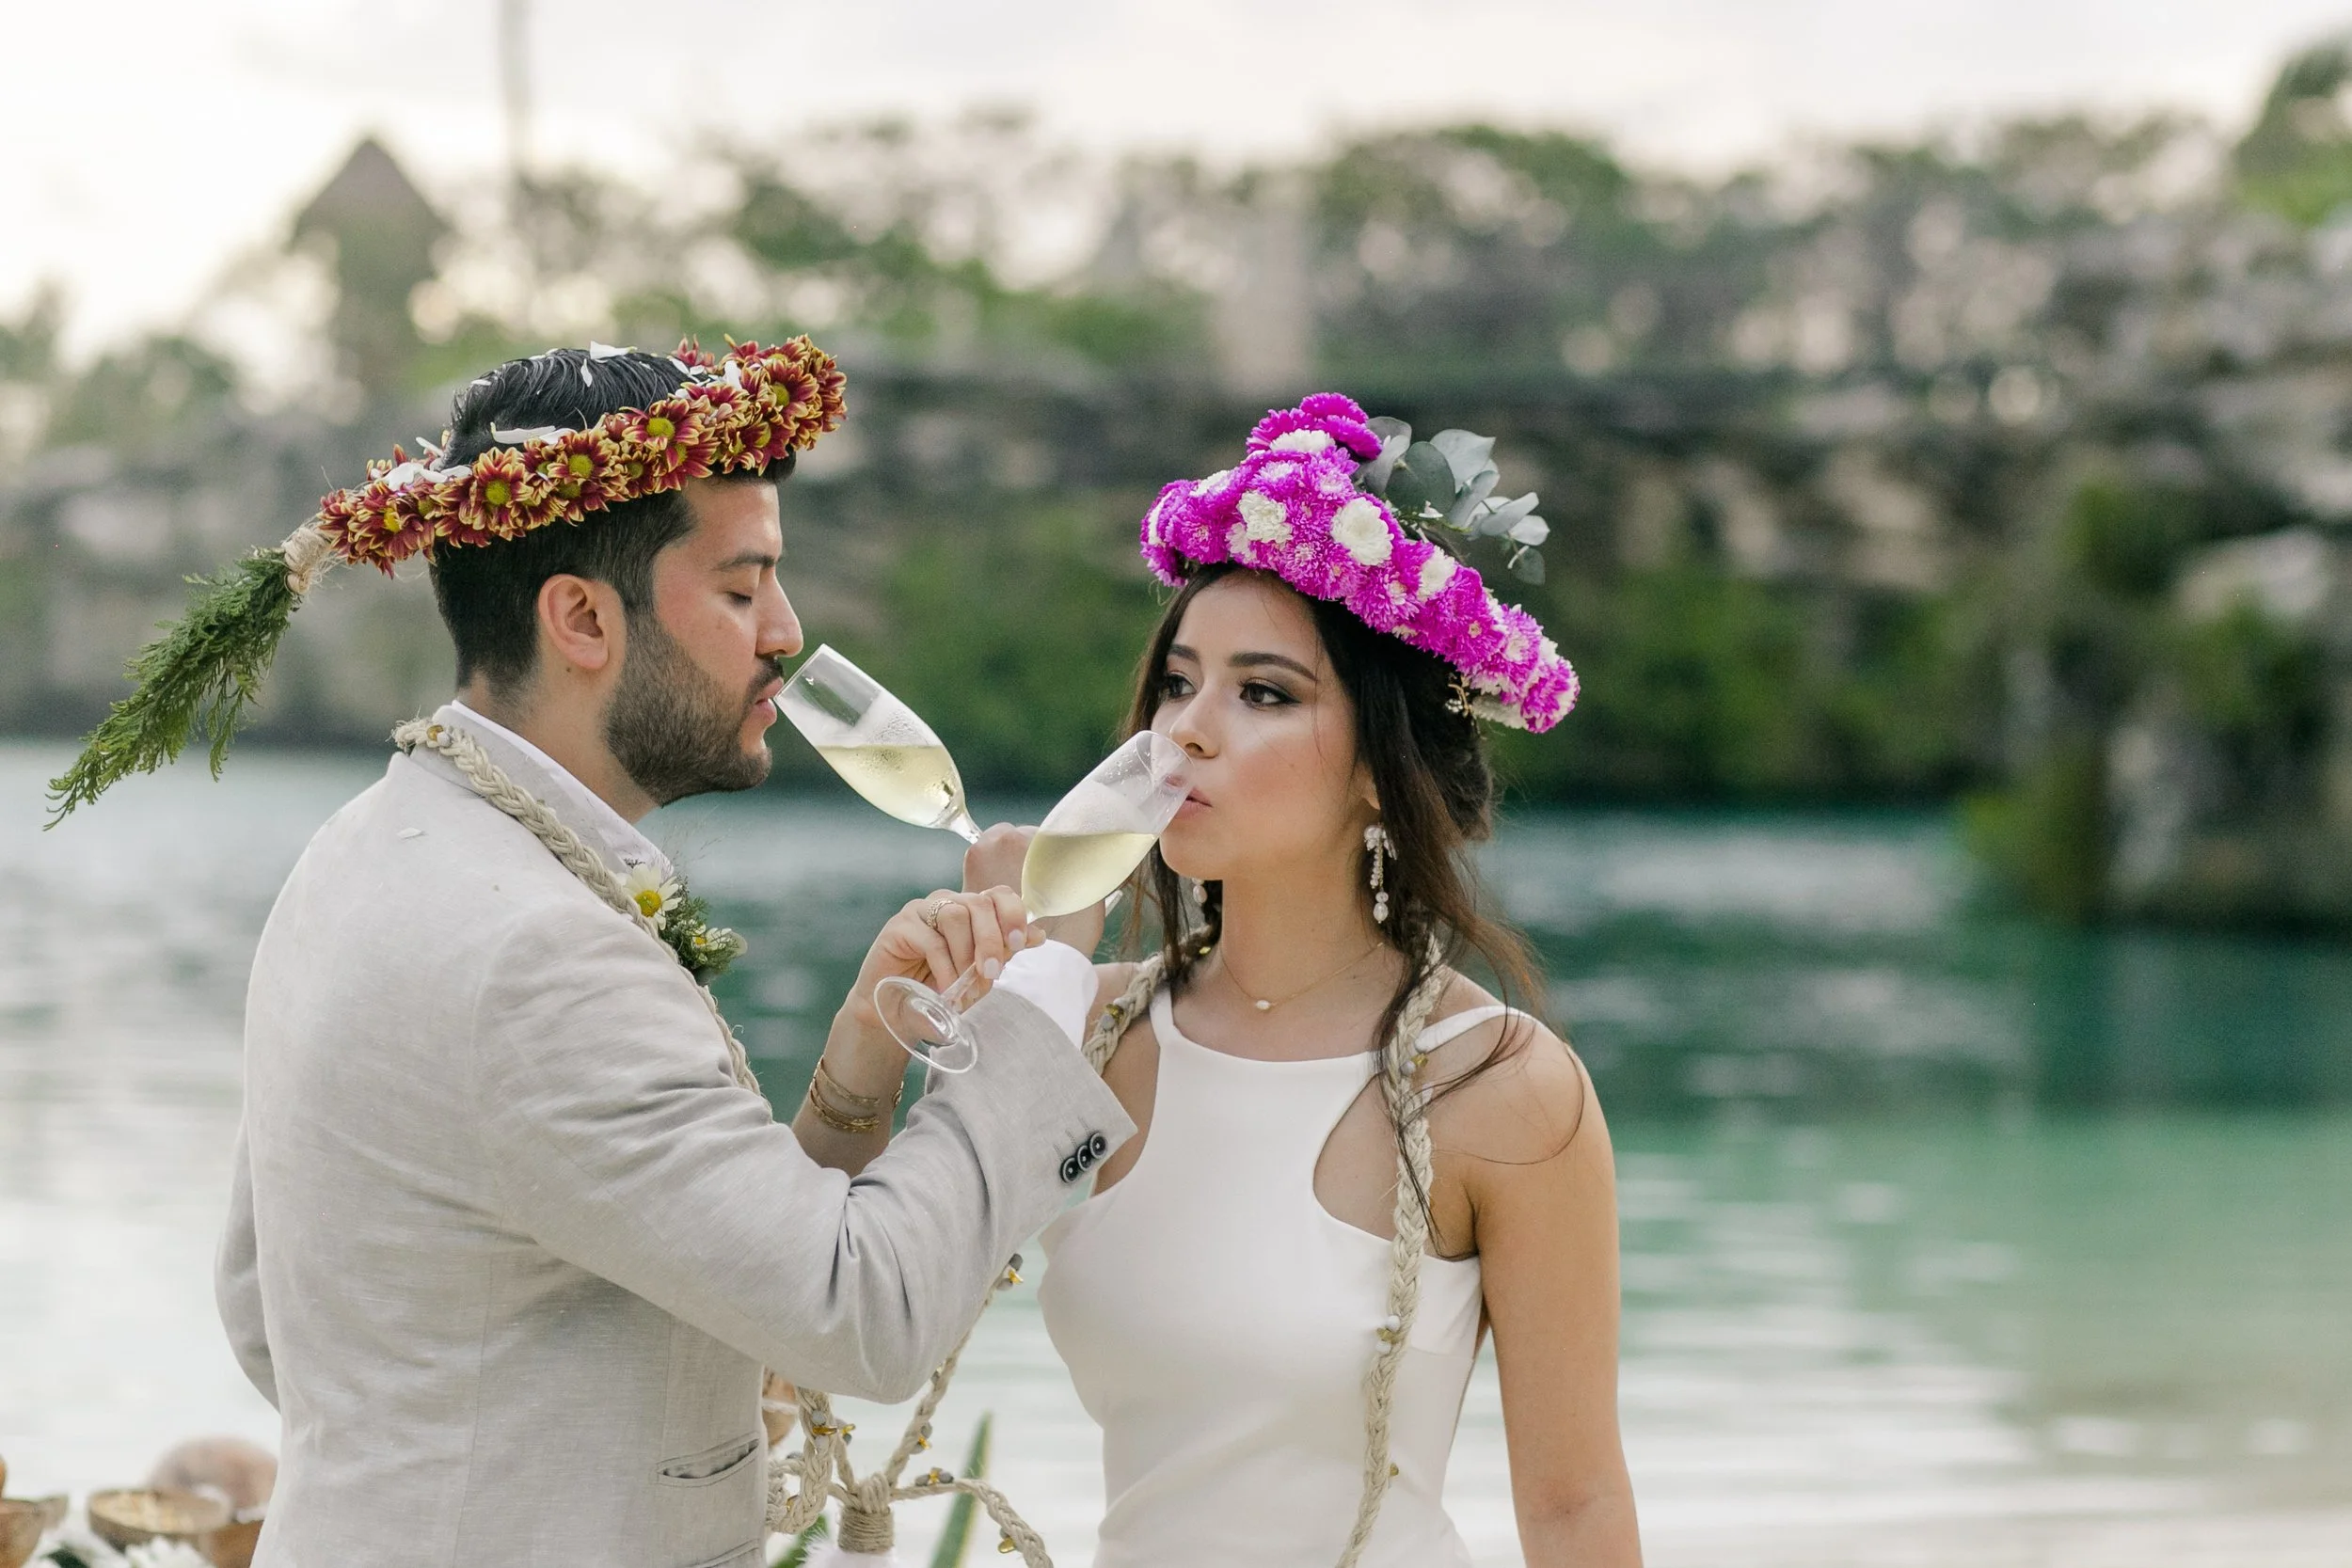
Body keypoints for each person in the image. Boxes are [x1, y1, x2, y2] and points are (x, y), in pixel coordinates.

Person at [51, 340, 1128, 1567]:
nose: (785, 632)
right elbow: (867, 1310)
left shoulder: (362, 850)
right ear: (580, 618)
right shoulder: (537, 950)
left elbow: (266, 1312)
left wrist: (856, 1067)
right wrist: (1045, 983)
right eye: (742, 589)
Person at [1021, 394, 1642, 1565]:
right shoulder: (1084, 1028)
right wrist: (887, 1048)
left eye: (1264, 692)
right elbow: (849, 1305)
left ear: (1377, 766)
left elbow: (1574, 1506)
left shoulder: (1499, 1087)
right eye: (1178, 683)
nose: (1185, 731)